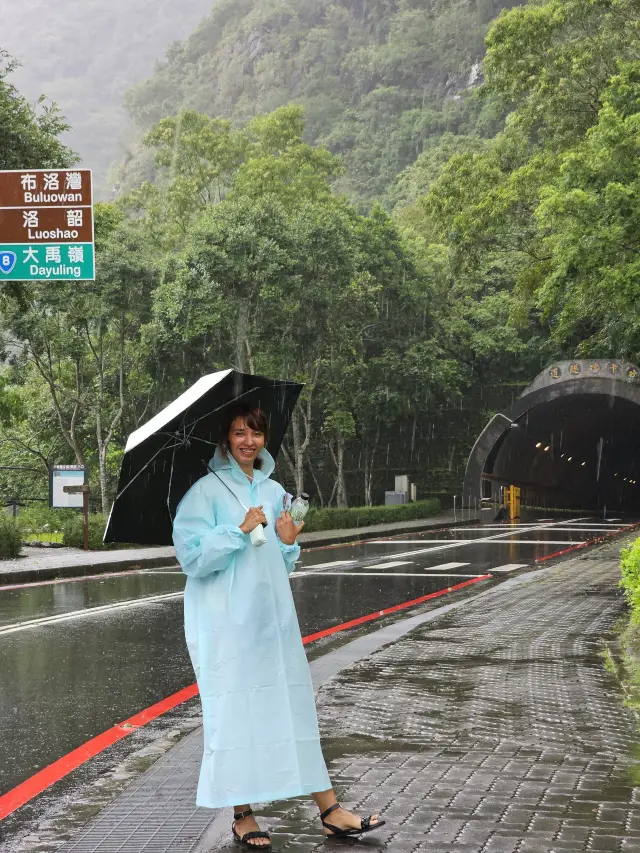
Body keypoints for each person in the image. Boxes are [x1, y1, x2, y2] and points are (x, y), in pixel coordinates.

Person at [172, 404, 384, 849]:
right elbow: (191, 557)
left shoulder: (273, 491)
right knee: (236, 714)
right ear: (224, 439)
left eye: (255, 433)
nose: (248, 441)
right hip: (228, 623)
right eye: (238, 432)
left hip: (273, 621)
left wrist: (289, 544)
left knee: (293, 708)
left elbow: (277, 561)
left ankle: (330, 810)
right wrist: (237, 529)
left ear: (265, 439)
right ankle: (243, 815)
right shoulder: (204, 493)